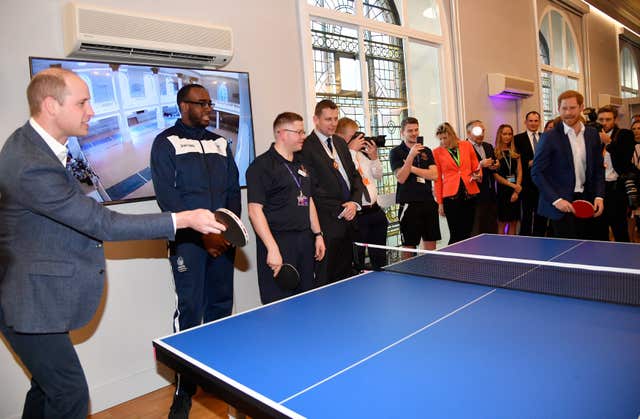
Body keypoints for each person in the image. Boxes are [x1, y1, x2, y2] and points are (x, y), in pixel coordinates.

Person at [0, 68, 226, 419]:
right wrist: (183, 219)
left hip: (34, 294)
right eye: (83, 102)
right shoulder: (31, 163)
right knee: (70, 394)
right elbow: (101, 222)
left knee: (47, 389)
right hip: (27, 300)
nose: (92, 111)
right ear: (50, 106)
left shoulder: (33, 146)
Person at [150, 83, 241, 417]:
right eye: (202, 103)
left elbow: (233, 190)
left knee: (220, 307)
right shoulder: (165, 142)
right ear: (183, 105)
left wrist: (227, 232)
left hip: (222, 241)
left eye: (209, 103)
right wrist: (204, 236)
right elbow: (167, 198)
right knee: (190, 310)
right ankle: (185, 388)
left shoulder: (220, 142)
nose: (209, 108)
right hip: (188, 242)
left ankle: (216, 378)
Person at [246, 112, 325, 303]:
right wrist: (272, 248)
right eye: (298, 132)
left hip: (304, 241)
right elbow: (254, 211)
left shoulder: (302, 164)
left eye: (303, 131)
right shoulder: (261, 166)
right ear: (281, 133)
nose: (303, 136)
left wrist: (318, 234)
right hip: (278, 242)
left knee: (307, 299)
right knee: (279, 304)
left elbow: (308, 200)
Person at [298, 100, 365, 286]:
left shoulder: (340, 143)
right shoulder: (306, 147)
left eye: (336, 119)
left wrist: (354, 203)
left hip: (349, 223)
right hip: (327, 225)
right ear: (316, 119)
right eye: (328, 119)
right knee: (326, 280)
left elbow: (354, 177)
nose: (333, 123)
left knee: (346, 279)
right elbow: (312, 189)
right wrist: (341, 209)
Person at [531, 90, 605, 239]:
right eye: (564, 108)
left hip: (587, 200)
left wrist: (599, 196)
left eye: (572, 108)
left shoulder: (592, 135)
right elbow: (536, 172)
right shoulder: (549, 137)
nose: (568, 112)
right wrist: (556, 200)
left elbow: (598, 169)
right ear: (558, 109)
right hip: (561, 204)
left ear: (581, 107)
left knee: (588, 248)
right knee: (566, 253)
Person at [336, 117, 388, 271]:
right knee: (357, 259)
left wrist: (374, 158)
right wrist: (351, 150)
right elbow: (349, 175)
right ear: (342, 137)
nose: (360, 139)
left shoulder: (362, 155)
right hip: (359, 215)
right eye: (354, 135)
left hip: (375, 210)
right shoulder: (341, 157)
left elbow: (378, 175)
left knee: (379, 258)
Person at [389, 117, 440, 256]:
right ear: (402, 133)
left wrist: (411, 168)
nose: (414, 133)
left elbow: (434, 175)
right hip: (409, 204)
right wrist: (411, 156)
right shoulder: (396, 152)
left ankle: (430, 273)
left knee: (431, 243)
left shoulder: (427, 151)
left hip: (428, 202)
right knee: (409, 246)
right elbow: (401, 177)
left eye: (416, 130)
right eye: (410, 131)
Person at [433, 122, 481, 244]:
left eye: (445, 137)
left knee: (468, 232)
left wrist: (478, 174)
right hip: (450, 197)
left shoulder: (466, 145)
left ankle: (466, 260)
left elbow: (476, 165)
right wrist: (440, 203)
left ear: (452, 135)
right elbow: (437, 180)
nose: (443, 141)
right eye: (440, 139)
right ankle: (453, 261)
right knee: (456, 234)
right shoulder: (437, 152)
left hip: (469, 193)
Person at [593, 105, 635, 242]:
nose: (604, 123)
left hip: (616, 188)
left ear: (615, 119)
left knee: (620, 229)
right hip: (599, 188)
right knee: (599, 229)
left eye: (608, 119)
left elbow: (624, 161)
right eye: (601, 119)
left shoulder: (625, 135)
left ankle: (625, 261)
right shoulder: (593, 136)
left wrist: (609, 143)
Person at [514, 111, 547, 236]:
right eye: (531, 121)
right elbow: (515, 160)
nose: (533, 123)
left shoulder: (545, 137)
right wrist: (528, 163)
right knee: (526, 215)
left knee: (542, 215)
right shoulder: (517, 139)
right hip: (526, 183)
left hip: (543, 183)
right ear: (525, 122)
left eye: (536, 121)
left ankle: (541, 239)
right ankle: (525, 241)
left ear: (539, 122)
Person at [466, 120, 499, 235]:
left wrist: (495, 165)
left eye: (483, 131)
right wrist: (480, 164)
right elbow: (465, 170)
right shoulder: (464, 148)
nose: (481, 134)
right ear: (469, 133)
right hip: (475, 194)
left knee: (491, 225)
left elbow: (494, 165)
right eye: (477, 131)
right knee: (477, 227)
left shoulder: (488, 146)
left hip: (490, 192)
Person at [494, 124, 523, 235]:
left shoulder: (515, 152)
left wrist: (516, 189)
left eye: (510, 134)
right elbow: (496, 176)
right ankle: (501, 249)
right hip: (502, 191)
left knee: (513, 222)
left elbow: (519, 171)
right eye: (504, 134)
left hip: (515, 190)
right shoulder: (494, 152)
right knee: (502, 222)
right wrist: (513, 186)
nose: (507, 136)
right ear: (499, 135)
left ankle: (512, 248)